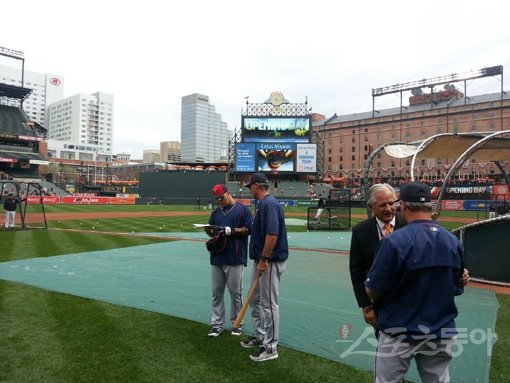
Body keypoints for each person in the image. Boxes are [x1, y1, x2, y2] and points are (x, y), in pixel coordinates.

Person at [365, 181, 465, 383]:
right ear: (429, 205)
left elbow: (372, 290)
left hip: (399, 329)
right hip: (441, 330)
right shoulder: (452, 241)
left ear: (404, 206)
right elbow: (456, 287)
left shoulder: (394, 241)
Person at [240, 173, 288, 362]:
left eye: (250, 186)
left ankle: (271, 348)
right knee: (256, 300)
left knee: (268, 304)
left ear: (258, 186)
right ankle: (261, 336)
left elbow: (272, 235)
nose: (249, 189)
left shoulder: (268, 204)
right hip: (263, 259)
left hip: (270, 261)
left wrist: (264, 259)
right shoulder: (264, 204)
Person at [349, 183, 406, 327]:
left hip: (410, 300)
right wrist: (366, 306)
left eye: (391, 203)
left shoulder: (409, 224)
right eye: (382, 205)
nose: (388, 209)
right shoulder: (360, 231)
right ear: (370, 207)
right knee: (385, 345)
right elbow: (357, 271)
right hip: (379, 303)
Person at [205, 184, 253, 337]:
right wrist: (210, 231)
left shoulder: (243, 210)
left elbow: (248, 230)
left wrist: (231, 231)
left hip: (235, 257)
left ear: (228, 193)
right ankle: (217, 323)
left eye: (221, 197)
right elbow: (210, 231)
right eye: (217, 199)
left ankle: (236, 322)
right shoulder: (216, 212)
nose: (220, 201)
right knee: (216, 291)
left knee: (235, 292)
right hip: (217, 256)